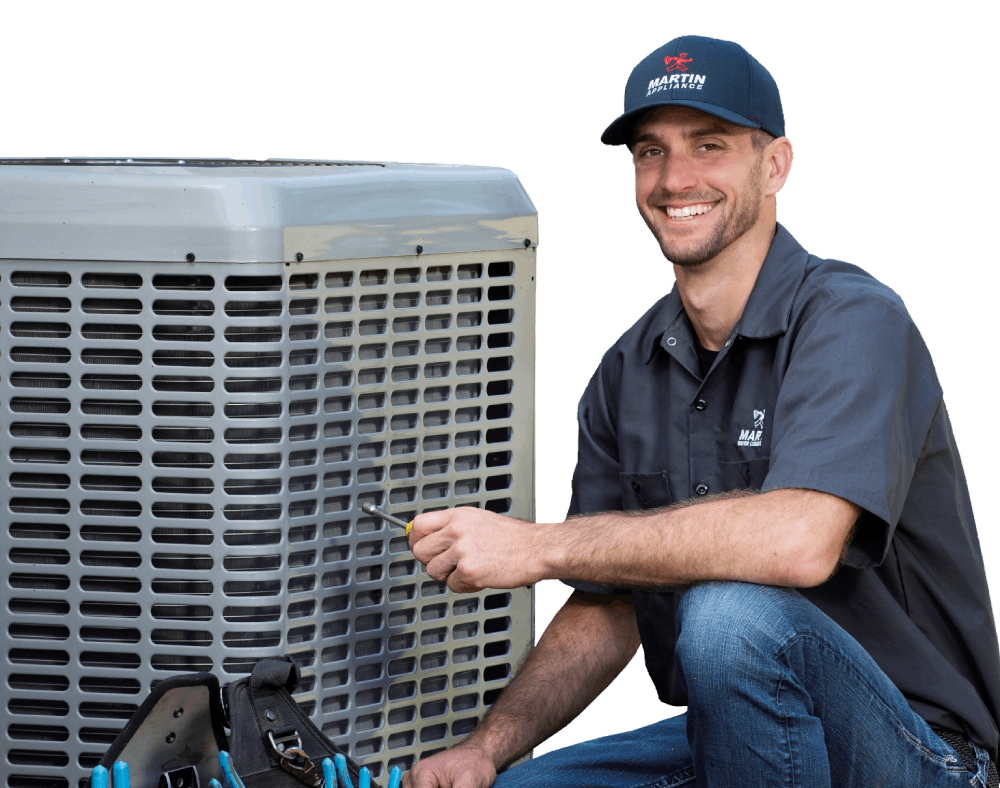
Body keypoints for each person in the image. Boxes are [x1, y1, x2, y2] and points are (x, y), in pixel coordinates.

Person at [399, 35, 1000, 788]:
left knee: (727, 617)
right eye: (650, 152)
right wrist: (486, 749)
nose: (674, 178)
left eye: (708, 145)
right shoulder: (626, 370)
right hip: (726, 735)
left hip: (916, 751)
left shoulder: (854, 320)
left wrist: (539, 547)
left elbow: (799, 544)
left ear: (775, 163)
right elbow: (610, 607)